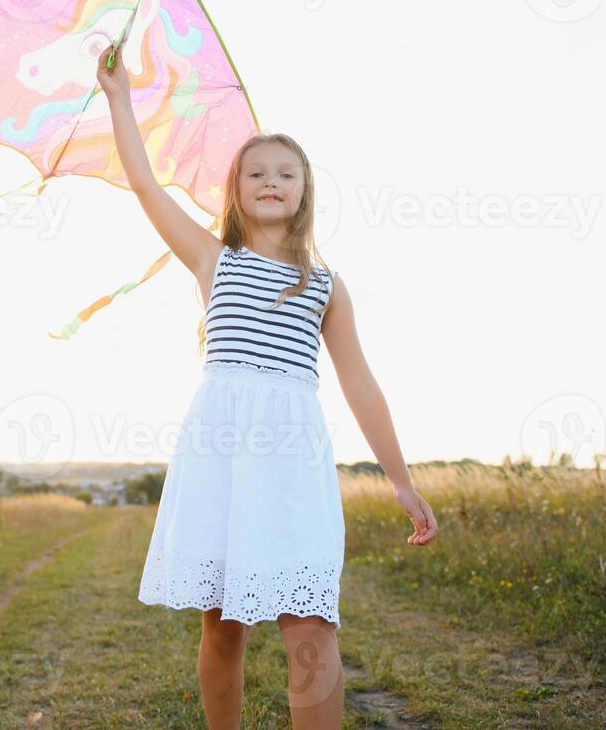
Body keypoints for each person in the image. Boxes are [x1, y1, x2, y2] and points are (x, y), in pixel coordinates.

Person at [95, 43, 438, 729]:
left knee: (309, 627)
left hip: (290, 460)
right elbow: (145, 186)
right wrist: (118, 99)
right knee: (221, 624)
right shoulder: (210, 258)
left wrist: (399, 480)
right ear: (236, 189)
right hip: (220, 450)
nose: (271, 180)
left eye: (286, 172)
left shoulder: (324, 284)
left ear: (305, 190)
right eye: (255, 172)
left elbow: (360, 384)